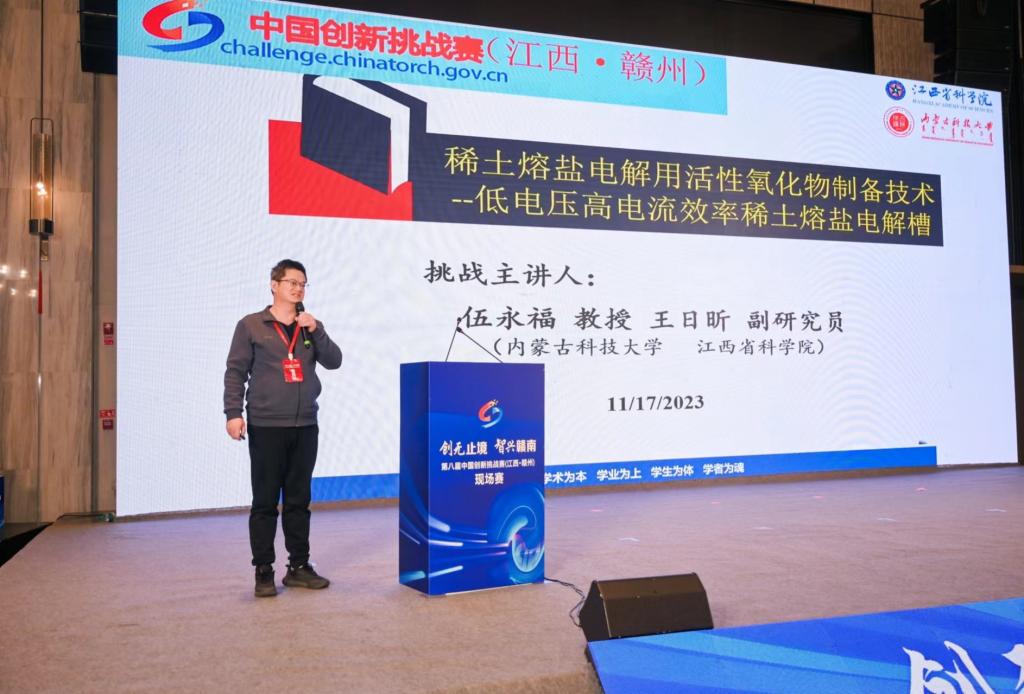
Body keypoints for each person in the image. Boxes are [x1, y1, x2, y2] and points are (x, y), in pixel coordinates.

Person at [223, 259, 343, 597]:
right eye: (292, 282)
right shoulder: (251, 325)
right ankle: (264, 570)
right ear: (274, 285)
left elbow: (334, 361)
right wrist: (233, 413)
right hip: (266, 424)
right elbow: (235, 372)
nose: (298, 288)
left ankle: (299, 566)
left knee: (298, 500)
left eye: (303, 284)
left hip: (305, 424)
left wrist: (316, 329)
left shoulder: (309, 327)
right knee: (264, 501)